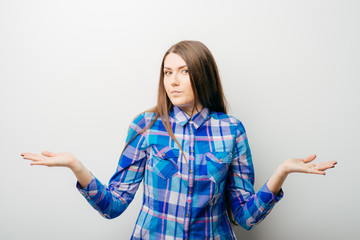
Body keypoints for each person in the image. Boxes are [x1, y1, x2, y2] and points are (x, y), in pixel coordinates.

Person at [21, 40, 337, 239]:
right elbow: (113, 206)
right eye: (167, 72)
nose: (173, 81)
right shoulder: (145, 126)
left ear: (203, 75)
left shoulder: (231, 130)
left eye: (183, 71)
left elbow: (245, 218)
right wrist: (76, 166)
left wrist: (281, 173)